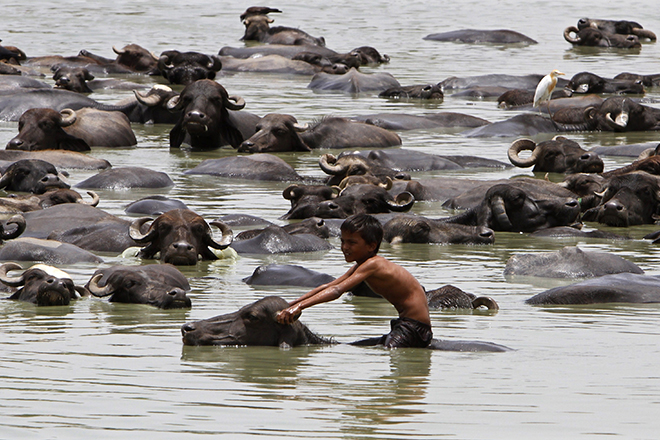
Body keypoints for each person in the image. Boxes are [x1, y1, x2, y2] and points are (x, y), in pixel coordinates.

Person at [276, 213, 433, 348]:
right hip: (404, 323)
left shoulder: (374, 264)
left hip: (415, 328)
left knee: (388, 353)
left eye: (352, 242)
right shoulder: (363, 264)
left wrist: (300, 307)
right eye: (343, 241)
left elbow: (337, 291)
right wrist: (292, 304)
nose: (344, 247)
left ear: (371, 246)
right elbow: (330, 285)